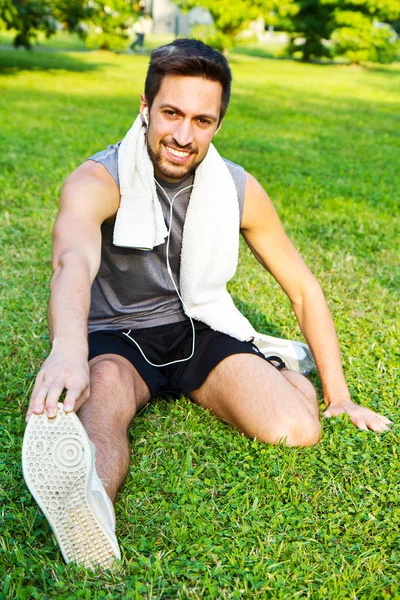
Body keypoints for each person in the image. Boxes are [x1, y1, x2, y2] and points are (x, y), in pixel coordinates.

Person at [22, 39, 392, 570]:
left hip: (199, 328)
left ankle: (282, 374)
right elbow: (71, 262)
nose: (183, 135)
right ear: (145, 108)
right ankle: (90, 507)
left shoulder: (236, 188)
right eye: (171, 113)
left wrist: (339, 395)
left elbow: (303, 286)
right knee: (102, 403)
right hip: (119, 339)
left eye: (202, 120)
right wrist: (67, 351)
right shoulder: (98, 181)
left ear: (217, 124)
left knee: (297, 430)